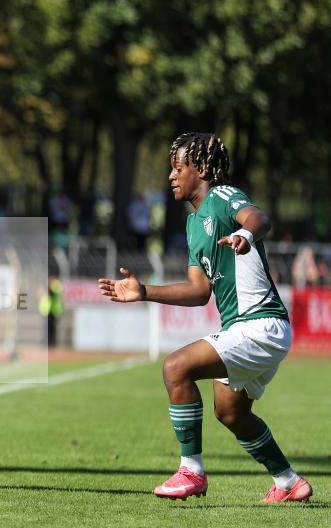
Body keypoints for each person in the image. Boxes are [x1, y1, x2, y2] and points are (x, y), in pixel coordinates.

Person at [98, 132, 311, 503]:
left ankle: (190, 472)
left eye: (178, 168)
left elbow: (259, 217)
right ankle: (289, 481)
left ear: (199, 168)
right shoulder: (194, 224)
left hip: (261, 324)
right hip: (252, 329)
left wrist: (245, 232)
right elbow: (199, 292)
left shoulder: (223, 196)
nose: (171, 176)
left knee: (176, 367)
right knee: (230, 413)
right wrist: (145, 291)